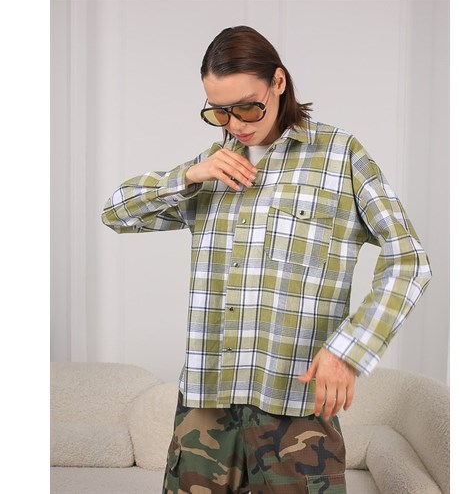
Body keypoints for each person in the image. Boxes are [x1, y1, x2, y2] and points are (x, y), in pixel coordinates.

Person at [102, 26, 432, 494]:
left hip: (295, 405)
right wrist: (189, 175)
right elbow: (116, 213)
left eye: (247, 107)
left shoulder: (340, 157)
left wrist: (349, 352)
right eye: (219, 111)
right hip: (206, 404)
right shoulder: (214, 166)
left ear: (278, 82)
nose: (235, 123)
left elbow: (410, 260)